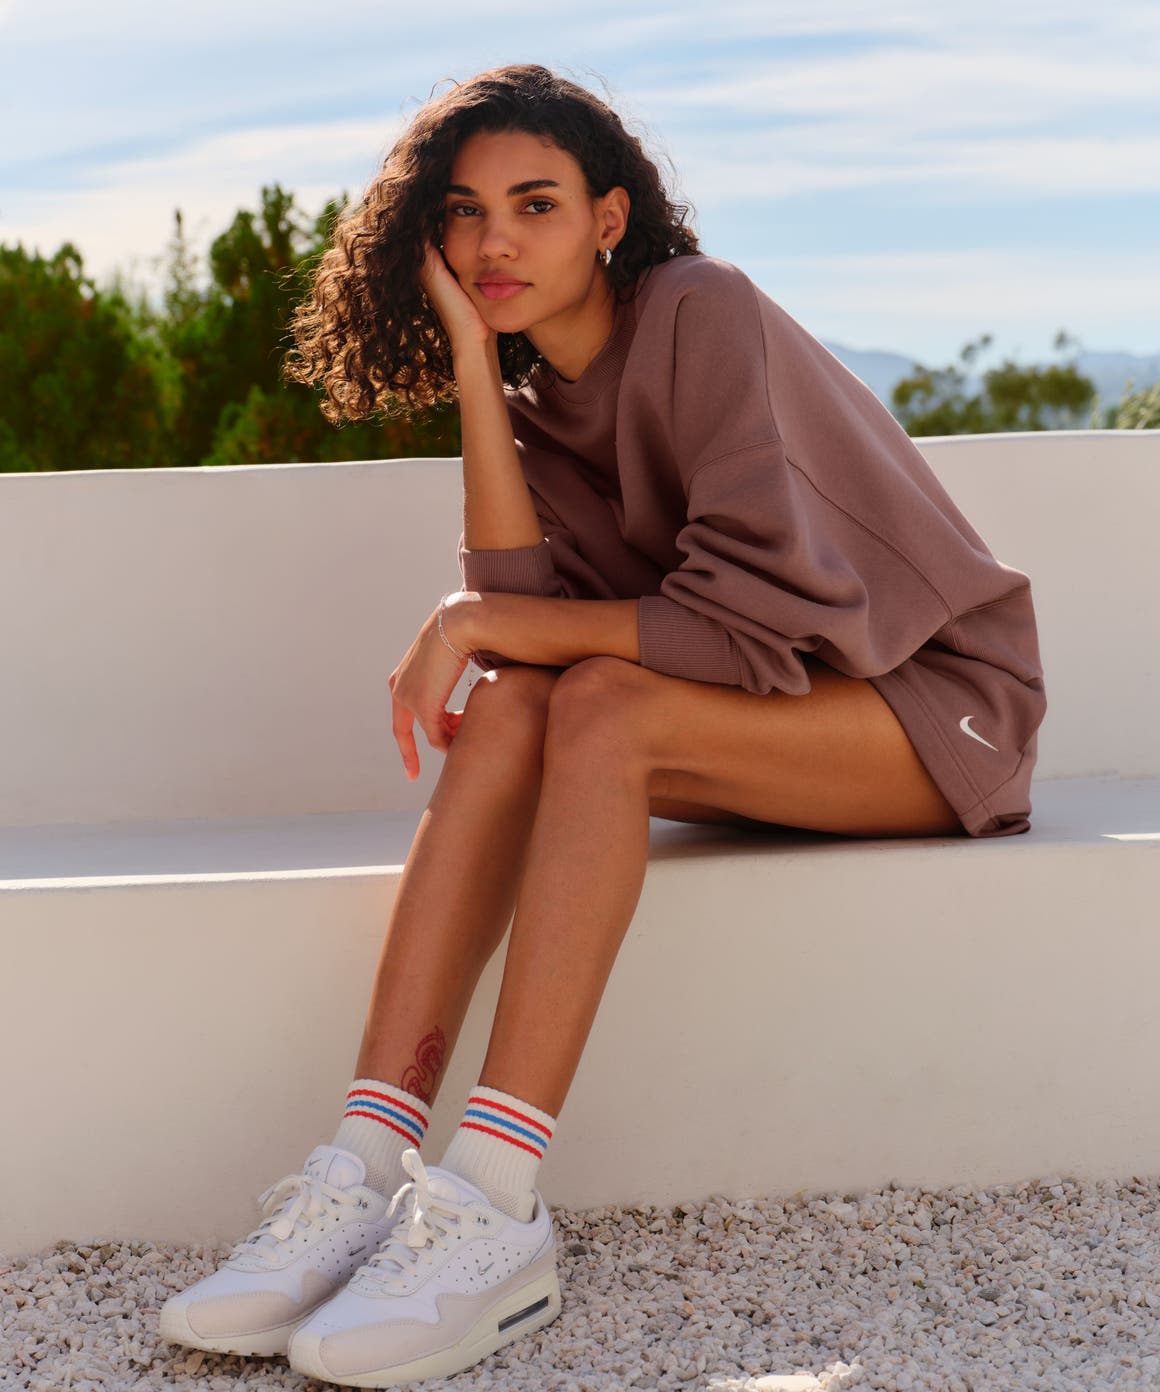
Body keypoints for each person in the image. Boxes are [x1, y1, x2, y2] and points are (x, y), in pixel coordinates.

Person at [159, 62, 1048, 1387]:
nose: (496, 239)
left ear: (610, 219)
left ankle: (494, 1205)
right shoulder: (536, 404)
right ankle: (364, 1158)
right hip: (779, 716)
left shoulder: (702, 311)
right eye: (465, 215)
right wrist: (475, 368)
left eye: (536, 204)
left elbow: (733, 630)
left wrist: (473, 626)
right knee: (529, 697)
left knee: (601, 702)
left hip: (934, 709)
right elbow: (519, 619)